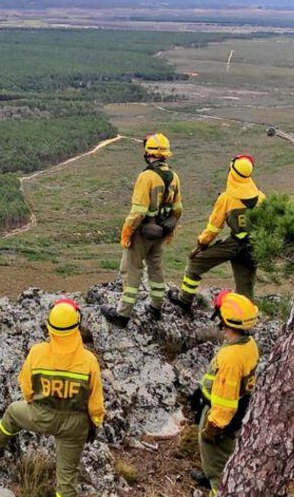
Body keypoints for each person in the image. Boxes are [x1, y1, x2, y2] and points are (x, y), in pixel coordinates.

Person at [0, 299, 105, 497]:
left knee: (13, 412)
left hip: (41, 415)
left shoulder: (37, 352)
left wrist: (35, 404)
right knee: (67, 479)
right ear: (77, 327)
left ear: (50, 328)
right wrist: (95, 423)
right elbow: (95, 403)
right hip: (75, 425)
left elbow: (26, 388)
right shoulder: (89, 361)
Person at [101, 133, 182, 326]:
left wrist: (127, 231)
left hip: (143, 233)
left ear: (149, 153)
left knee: (131, 270)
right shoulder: (174, 177)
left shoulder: (147, 177)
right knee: (156, 268)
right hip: (161, 232)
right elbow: (178, 209)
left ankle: (122, 315)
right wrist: (170, 231)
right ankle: (156, 307)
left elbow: (138, 211)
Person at [170, 155, 265, 316]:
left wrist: (202, 243)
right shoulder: (261, 197)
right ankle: (244, 320)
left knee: (195, 264)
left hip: (233, 244)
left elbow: (213, 228)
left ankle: (185, 300)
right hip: (252, 248)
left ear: (231, 173)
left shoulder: (227, 198)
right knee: (246, 286)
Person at [189, 290, 259, 495]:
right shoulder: (248, 345)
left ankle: (217, 486)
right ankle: (211, 474)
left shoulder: (231, 358)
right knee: (219, 455)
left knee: (217, 458)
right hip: (237, 410)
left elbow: (226, 403)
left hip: (221, 417)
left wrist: (213, 428)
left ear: (226, 321)